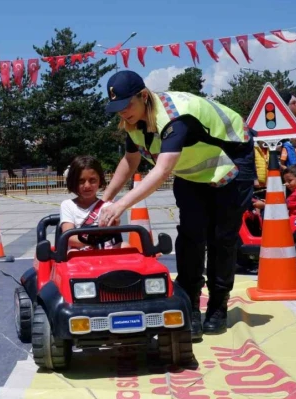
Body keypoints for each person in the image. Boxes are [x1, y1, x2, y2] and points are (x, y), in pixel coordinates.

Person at [97, 70, 255, 340]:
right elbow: (130, 161)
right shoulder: (134, 122)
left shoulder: (175, 117)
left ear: (143, 96)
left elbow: (161, 171)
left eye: (126, 106)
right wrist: (105, 199)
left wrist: (121, 206)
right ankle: (190, 304)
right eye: (117, 109)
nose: (122, 113)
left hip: (230, 163)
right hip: (192, 172)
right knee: (191, 237)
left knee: (222, 238)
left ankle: (217, 306)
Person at [60, 155, 123, 251]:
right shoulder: (68, 205)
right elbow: (69, 237)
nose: (87, 186)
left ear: (99, 181)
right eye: (81, 181)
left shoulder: (108, 207)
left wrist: (115, 223)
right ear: (73, 182)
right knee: (73, 253)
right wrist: (92, 242)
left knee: (126, 246)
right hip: (80, 250)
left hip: (105, 250)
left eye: (92, 180)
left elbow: (114, 234)